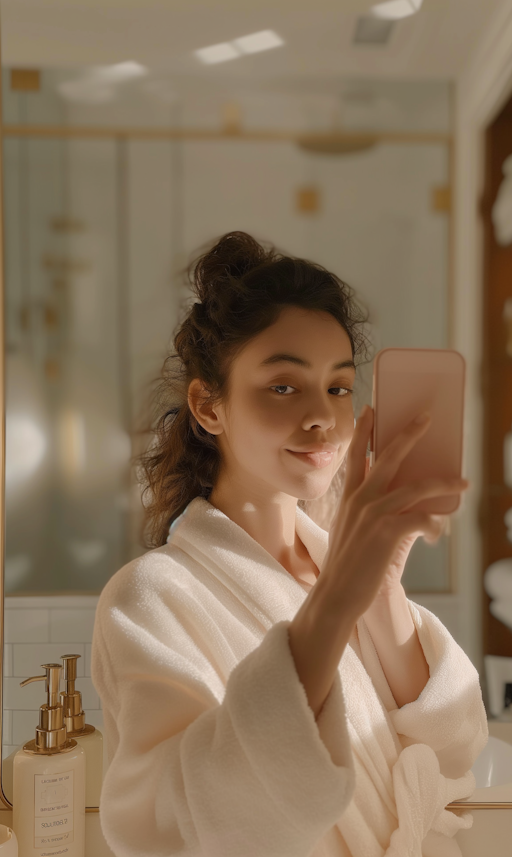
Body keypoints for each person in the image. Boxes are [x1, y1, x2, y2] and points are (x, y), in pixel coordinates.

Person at [91, 231, 488, 857]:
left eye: (338, 387)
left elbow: (451, 752)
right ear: (208, 405)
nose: (323, 418)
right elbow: (183, 824)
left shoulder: (346, 567)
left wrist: (380, 592)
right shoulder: (151, 597)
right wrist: (334, 602)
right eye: (283, 386)